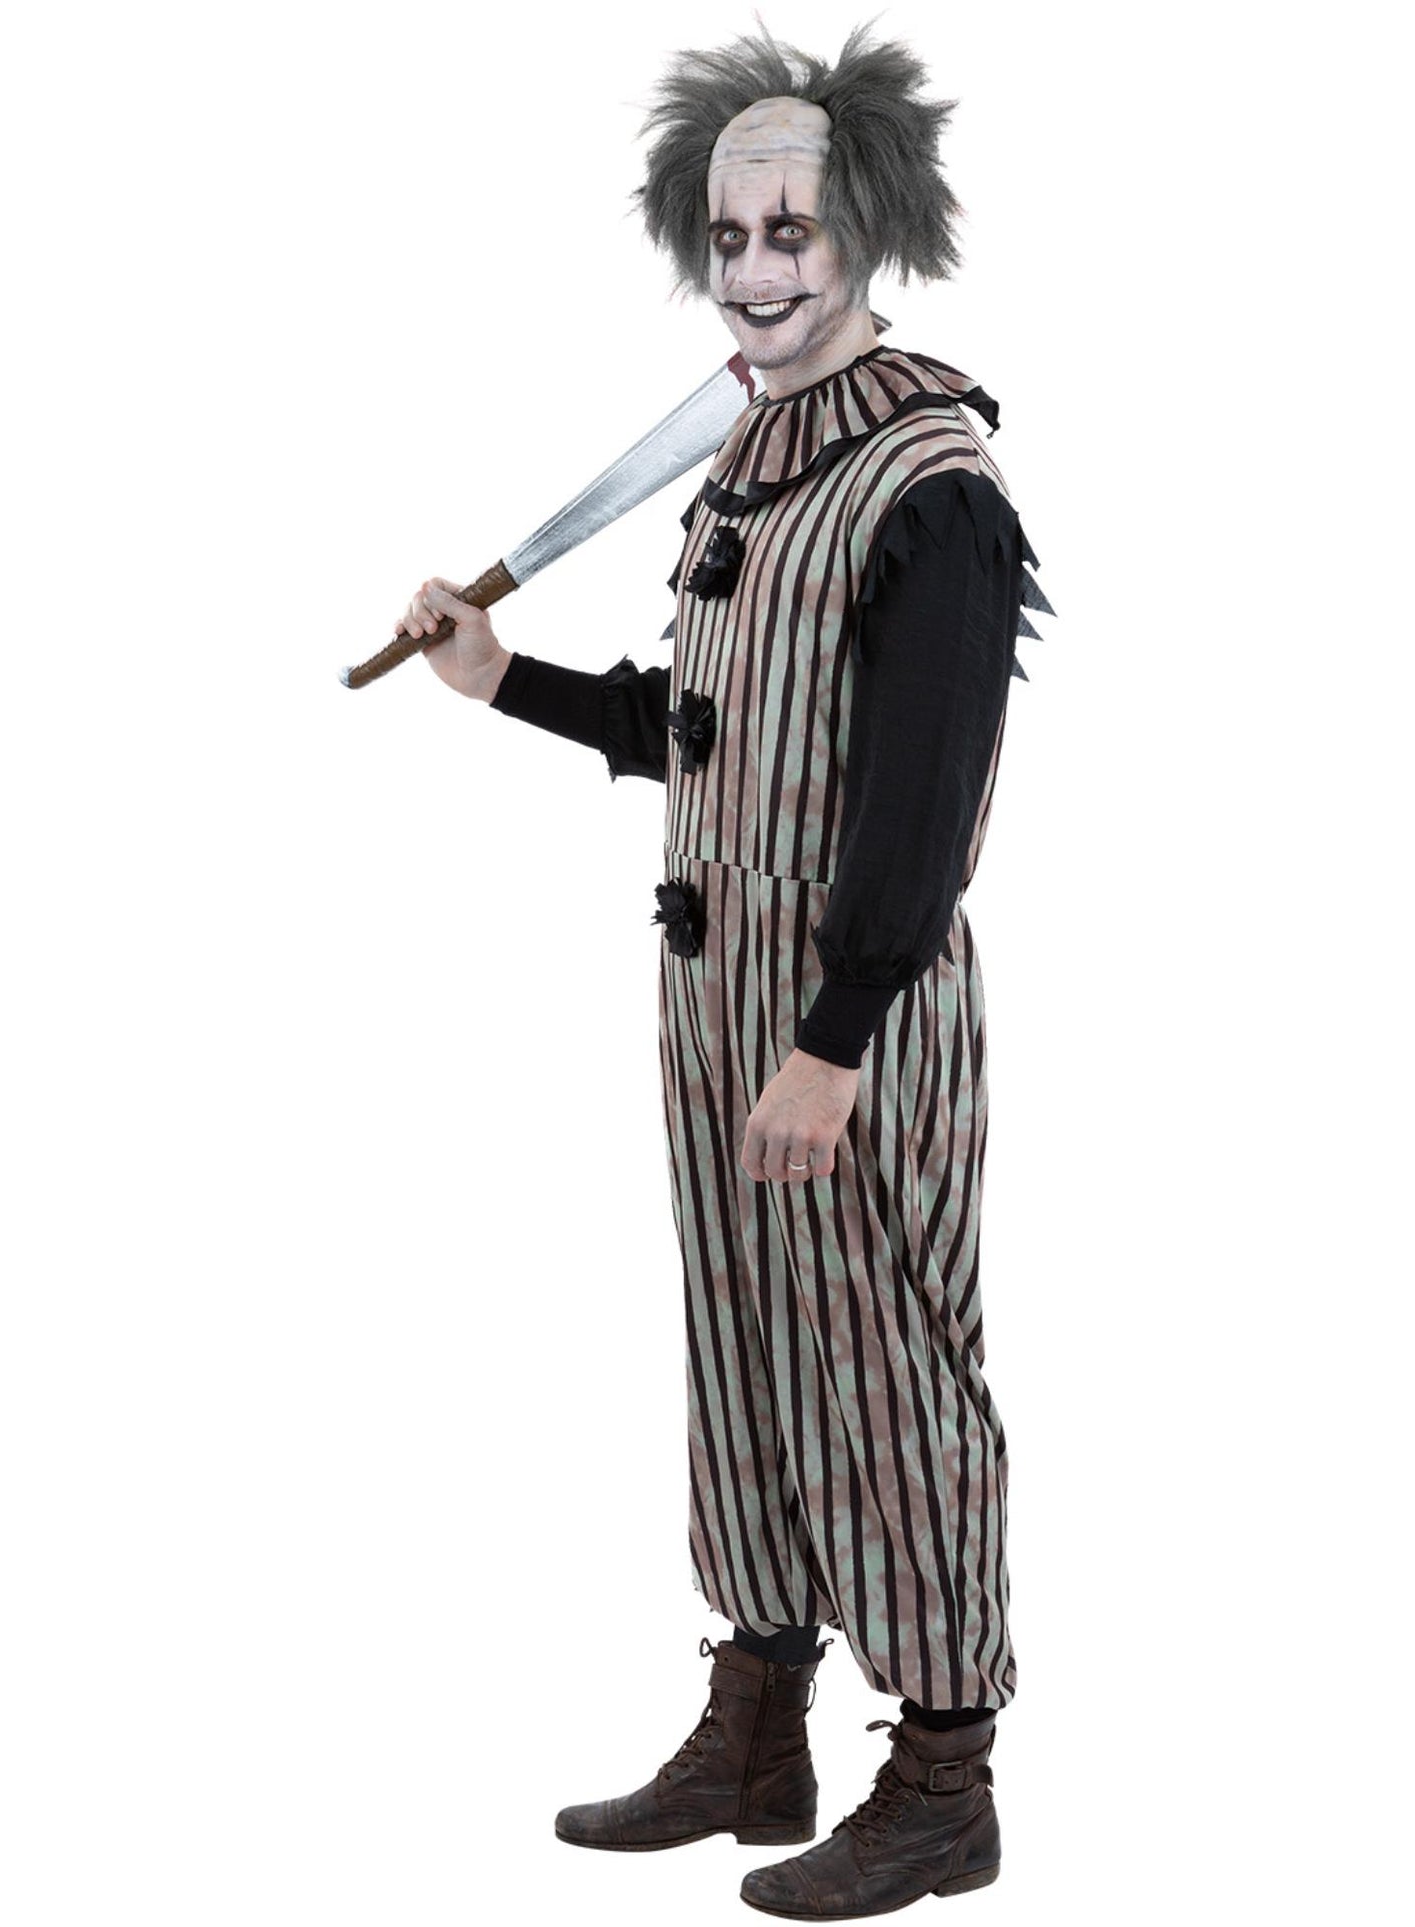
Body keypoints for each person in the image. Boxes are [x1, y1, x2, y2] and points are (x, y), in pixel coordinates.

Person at [394, 21, 1053, 1918]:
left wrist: (835, 1037)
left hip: (853, 1007)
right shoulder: (754, 459)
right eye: (730, 233)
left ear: (871, 233)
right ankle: (757, 1726)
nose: (756, 270)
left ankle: (943, 1775)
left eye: (793, 232)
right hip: (709, 990)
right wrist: (501, 681)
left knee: (885, 1364)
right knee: (747, 1348)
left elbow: (925, 805)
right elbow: (700, 728)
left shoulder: (927, 485)